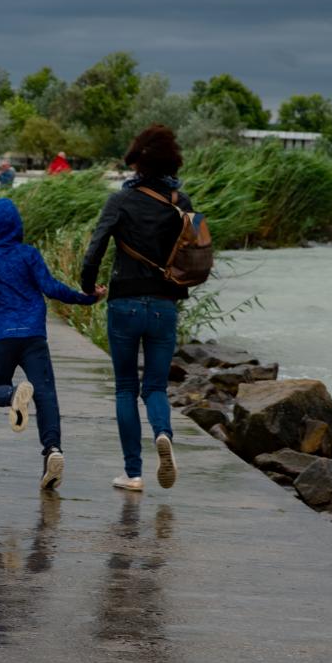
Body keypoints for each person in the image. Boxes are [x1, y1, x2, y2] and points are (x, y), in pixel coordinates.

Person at [0, 197, 104, 490]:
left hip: (3, 336)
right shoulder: (29, 254)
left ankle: (14, 395)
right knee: (46, 394)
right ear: (18, 226)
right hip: (33, 335)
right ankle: (53, 450)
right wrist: (87, 298)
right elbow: (51, 288)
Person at [80, 124, 193, 493]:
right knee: (156, 387)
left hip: (124, 302)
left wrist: (87, 287)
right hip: (164, 305)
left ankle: (133, 473)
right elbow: (196, 252)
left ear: (136, 163)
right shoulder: (182, 202)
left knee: (126, 388)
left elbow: (94, 249)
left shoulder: (120, 201)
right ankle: (163, 433)